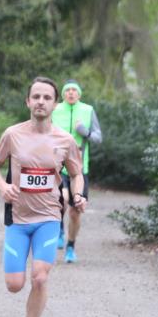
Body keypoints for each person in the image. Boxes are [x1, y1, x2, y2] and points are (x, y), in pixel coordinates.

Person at [0, 77, 86, 317]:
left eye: (47, 97)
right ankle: (21, 297)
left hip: (49, 218)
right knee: (14, 285)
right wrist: (3, 186)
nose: (41, 101)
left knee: (40, 278)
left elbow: (76, 173)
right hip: (18, 220)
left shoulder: (65, 141)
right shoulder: (12, 134)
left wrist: (78, 195)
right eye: (36, 97)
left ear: (55, 104)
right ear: (28, 102)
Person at [50, 80, 102, 264]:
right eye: (67, 90)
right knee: (60, 201)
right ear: (63, 94)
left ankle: (71, 246)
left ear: (79, 94)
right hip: (55, 166)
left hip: (80, 169)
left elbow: (98, 138)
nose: (71, 93)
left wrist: (84, 132)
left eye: (74, 90)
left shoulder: (88, 110)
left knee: (75, 211)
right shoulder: (54, 110)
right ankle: (59, 230)